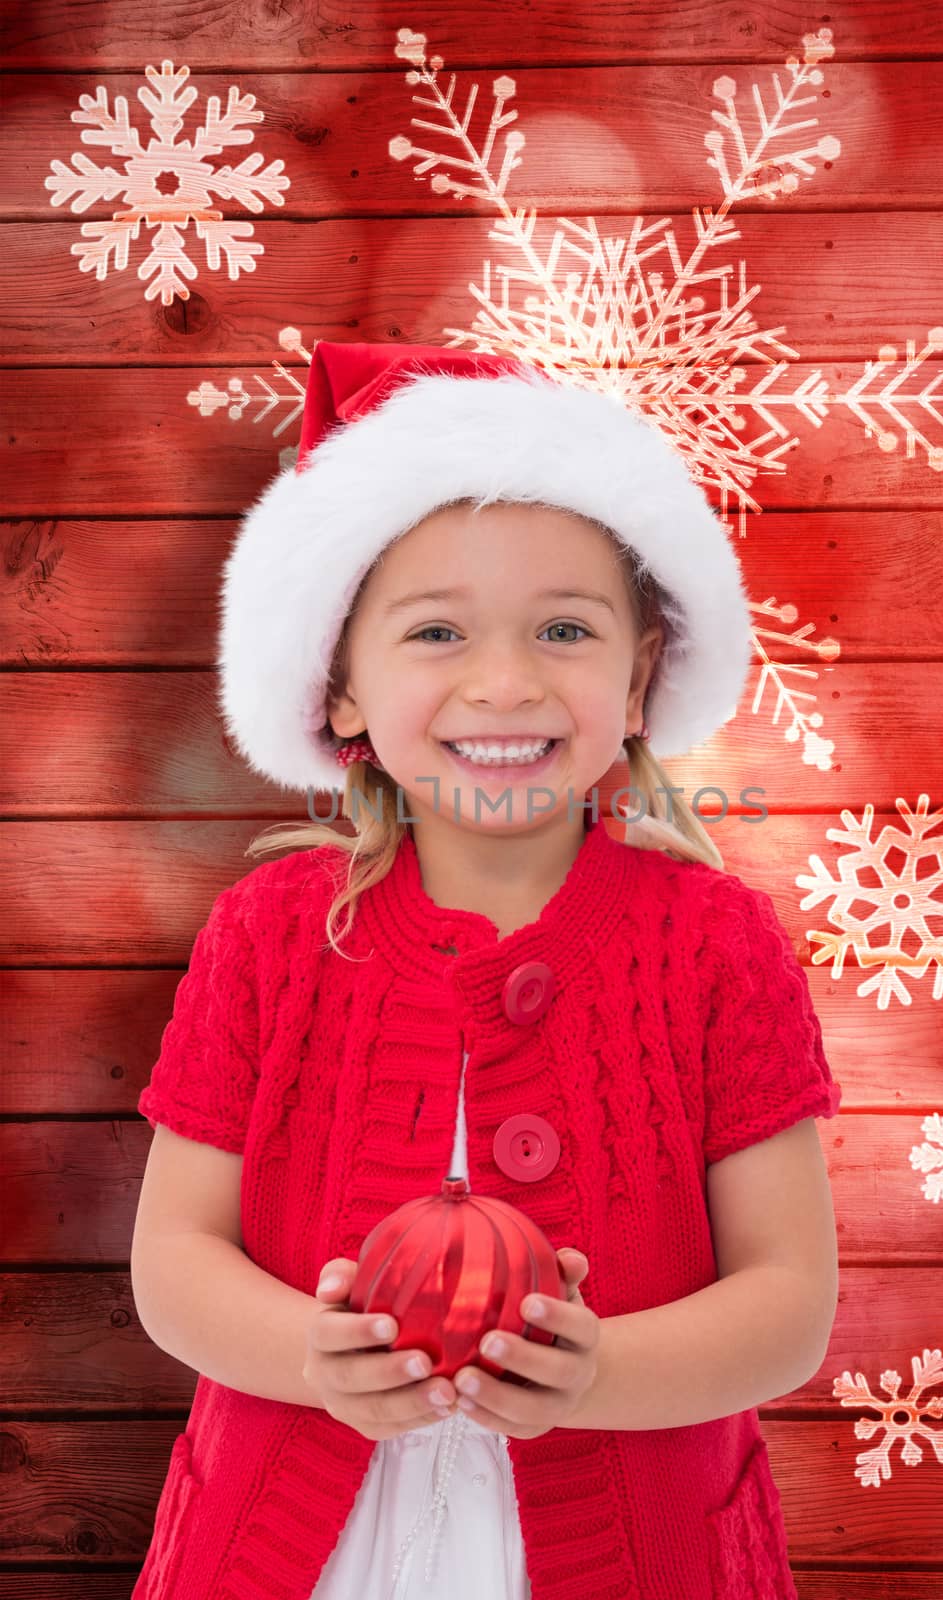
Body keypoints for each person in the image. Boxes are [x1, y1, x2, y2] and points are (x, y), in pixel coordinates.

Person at [130, 340, 844, 1600]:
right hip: (297, 1544)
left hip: (632, 1542)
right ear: (341, 686)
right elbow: (174, 1258)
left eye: (563, 628)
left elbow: (786, 1300)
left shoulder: (713, 942)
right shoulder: (269, 935)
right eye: (437, 631)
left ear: (637, 677)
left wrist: (599, 1373)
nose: (503, 682)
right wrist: (311, 1352)